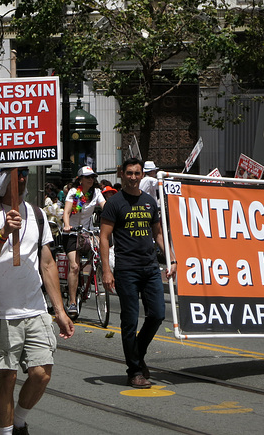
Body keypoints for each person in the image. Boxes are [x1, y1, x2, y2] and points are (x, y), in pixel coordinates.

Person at [0, 168, 74, 435]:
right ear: (1, 179)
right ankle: (7, 433)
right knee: (7, 377)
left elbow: (47, 263)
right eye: (16, 174)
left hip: (35, 309)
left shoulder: (37, 214)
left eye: (25, 173)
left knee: (42, 373)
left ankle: (18, 421)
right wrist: (4, 232)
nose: (23, 178)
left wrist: (59, 311)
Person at [99, 158, 177, 389]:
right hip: (127, 269)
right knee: (130, 321)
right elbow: (104, 238)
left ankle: (137, 353)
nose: (133, 177)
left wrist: (171, 258)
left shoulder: (148, 201)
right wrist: (106, 270)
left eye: (137, 174)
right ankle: (134, 370)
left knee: (158, 314)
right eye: (130, 173)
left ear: (143, 175)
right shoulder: (114, 204)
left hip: (150, 267)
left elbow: (158, 233)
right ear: (122, 174)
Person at [62, 166, 106, 319]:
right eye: (87, 177)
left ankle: (98, 271)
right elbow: (66, 212)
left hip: (88, 232)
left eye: (92, 177)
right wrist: (67, 225)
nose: (90, 179)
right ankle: (73, 302)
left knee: (102, 249)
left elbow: (105, 208)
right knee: (74, 266)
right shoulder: (74, 193)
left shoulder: (97, 193)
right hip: (72, 233)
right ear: (80, 179)